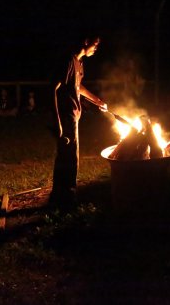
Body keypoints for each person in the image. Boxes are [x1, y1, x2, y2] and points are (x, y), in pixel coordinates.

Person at [50, 35, 107, 210]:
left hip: (74, 116)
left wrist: (96, 100)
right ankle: (67, 198)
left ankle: (60, 196)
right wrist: (57, 121)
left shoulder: (79, 63)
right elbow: (53, 87)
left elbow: (78, 87)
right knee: (69, 158)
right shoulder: (69, 60)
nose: (96, 49)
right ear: (85, 41)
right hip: (66, 116)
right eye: (95, 44)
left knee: (68, 156)